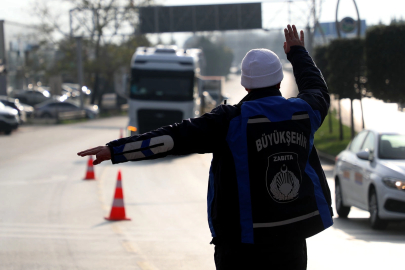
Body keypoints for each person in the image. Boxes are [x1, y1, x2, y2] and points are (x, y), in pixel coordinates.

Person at [78, 25, 333, 270]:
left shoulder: (229, 120)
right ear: (279, 81)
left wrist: (115, 150)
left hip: (241, 245)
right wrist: (298, 52)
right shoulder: (305, 112)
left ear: (245, 85)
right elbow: (316, 87)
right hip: (291, 242)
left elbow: (171, 138)